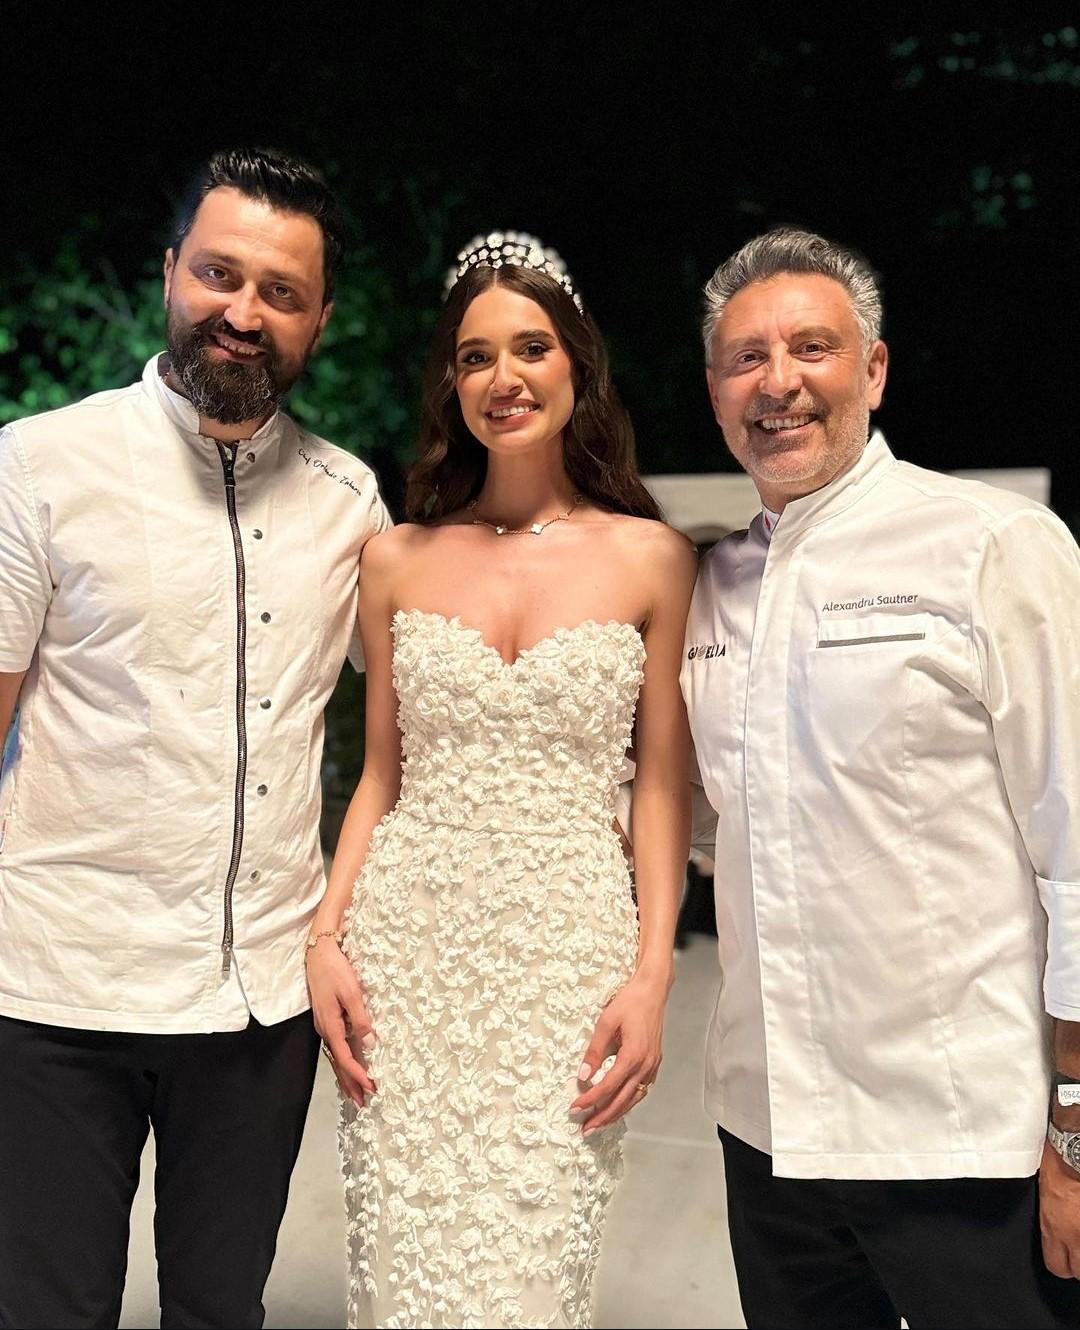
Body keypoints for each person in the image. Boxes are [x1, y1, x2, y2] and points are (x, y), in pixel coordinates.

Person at [0, 148, 390, 1329]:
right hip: (57, 986)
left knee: (222, 1312)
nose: (244, 311)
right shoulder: (39, 465)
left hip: (261, 1004)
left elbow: (426, 725)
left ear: (319, 319)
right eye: (220, 273)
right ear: (171, 271)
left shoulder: (350, 501)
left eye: (281, 291)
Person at [679, 226, 1080, 1328]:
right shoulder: (709, 587)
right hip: (767, 1135)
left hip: (965, 1137)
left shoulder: (994, 544)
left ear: (875, 368)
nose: (779, 383)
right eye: (747, 358)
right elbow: (711, 823)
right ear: (715, 392)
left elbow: (1076, 851)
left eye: (812, 347)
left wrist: (1076, 1125)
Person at [304, 231, 695, 1328]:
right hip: (407, 956)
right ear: (452, 383)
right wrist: (326, 937)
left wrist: (652, 974)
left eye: (530, 347)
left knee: (534, 1269)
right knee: (404, 1272)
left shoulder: (653, 557)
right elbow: (380, 778)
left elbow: (660, 788)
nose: (503, 377)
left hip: (569, 959)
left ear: (577, 364)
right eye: (475, 357)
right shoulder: (397, 558)